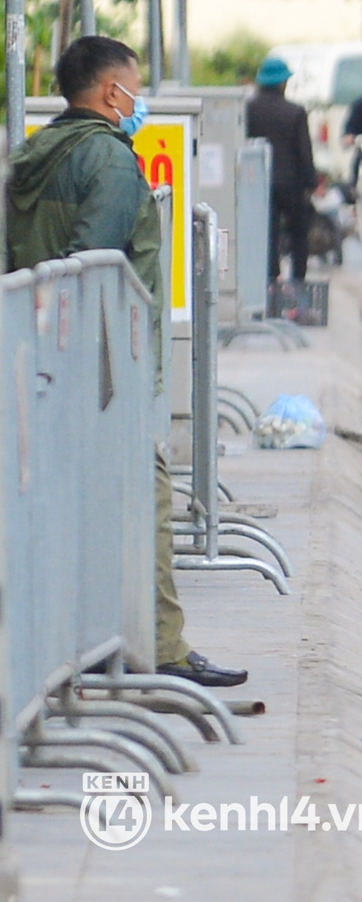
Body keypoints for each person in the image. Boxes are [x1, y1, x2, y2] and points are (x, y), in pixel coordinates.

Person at [5, 36, 248, 687]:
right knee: (145, 500)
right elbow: (96, 266)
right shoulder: (108, 161)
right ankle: (161, 648)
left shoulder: (31, 157)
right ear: (112, 93)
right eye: (136, 89)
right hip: (108, 369)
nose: (141, 102)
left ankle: (85, 648)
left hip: (44, 365)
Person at [246, 56, 318, 283]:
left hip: (258, 183)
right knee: (298, 235)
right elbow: (304, 151)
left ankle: (270, 280)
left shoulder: (250, 110)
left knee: (267, 235)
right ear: (282, 83)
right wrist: (311, 182)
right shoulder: (294, 112)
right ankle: (298, 280)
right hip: (291, 184)